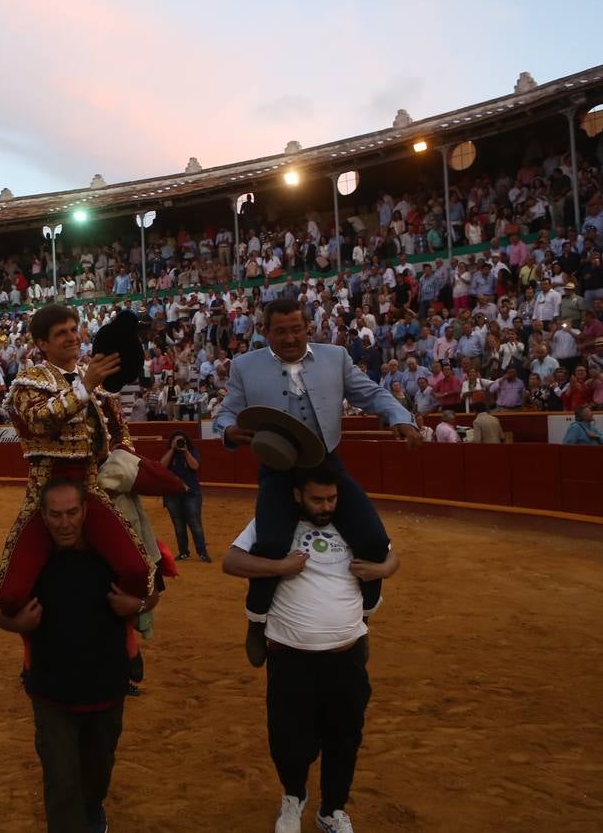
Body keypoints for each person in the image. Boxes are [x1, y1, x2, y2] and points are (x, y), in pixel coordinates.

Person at [213, 299, 420, 667]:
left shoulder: (335, 356)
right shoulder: (245, 366)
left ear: (309, 327)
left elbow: (370, 393)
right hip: (277, 467)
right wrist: (228, 429)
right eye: (281, 331)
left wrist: (400, 416)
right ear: (266, 332)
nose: (290, 337)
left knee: (371, 539)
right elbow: (228, 410)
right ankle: (257, 622)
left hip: (325, 461)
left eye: (296, 329)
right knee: (272, 544)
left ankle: (364, 620)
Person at [222, 463, 398, 833]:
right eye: (317, 499)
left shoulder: (354, 523)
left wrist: (382, 572)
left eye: (332, 498)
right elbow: (231, 561)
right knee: (288, 741)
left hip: (345, 656)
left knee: (345, 738)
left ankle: (332, 809)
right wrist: (279, 566)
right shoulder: (275, 524)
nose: (325, 506)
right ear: (297, 495)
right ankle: (294, 796)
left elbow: (391, 556)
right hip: (290, 656)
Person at [0, 478, 153, 833]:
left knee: (98, 769)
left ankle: (93, 805)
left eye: (72, 513)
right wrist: (15, 622)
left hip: (107, 684)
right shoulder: (32, 562)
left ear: (85, 512)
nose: (65, 523)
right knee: (61, 780)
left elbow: (153, 590)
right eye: (56, 515)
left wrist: (137, 604)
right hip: (51, 690)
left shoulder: (110, 554)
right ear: (43, 516)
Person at [0, 304, 154, 625]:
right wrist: (86, 385)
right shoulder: (30, 380)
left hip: (91, 490)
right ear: (42, 343)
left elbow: (119, 430)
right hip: (44, 496)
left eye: (73, 329)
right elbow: (40, 421)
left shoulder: (91, 378)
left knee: (139, 571)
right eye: (60, 333)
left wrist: (123, 466)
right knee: (10, 596)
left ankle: (123, 638)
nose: (71, 337)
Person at [160, 430, 208, 561]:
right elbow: (162, 466)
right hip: (172, 494)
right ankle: (183, 552)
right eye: (176, 441)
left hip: (191, 493)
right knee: (179, 525)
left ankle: (202, 552)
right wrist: (172, 449)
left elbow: (195, 466)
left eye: (181, 441)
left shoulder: (191, 452)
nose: (179, 443)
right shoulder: (170, 454)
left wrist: (185, 451)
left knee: (195, 524)